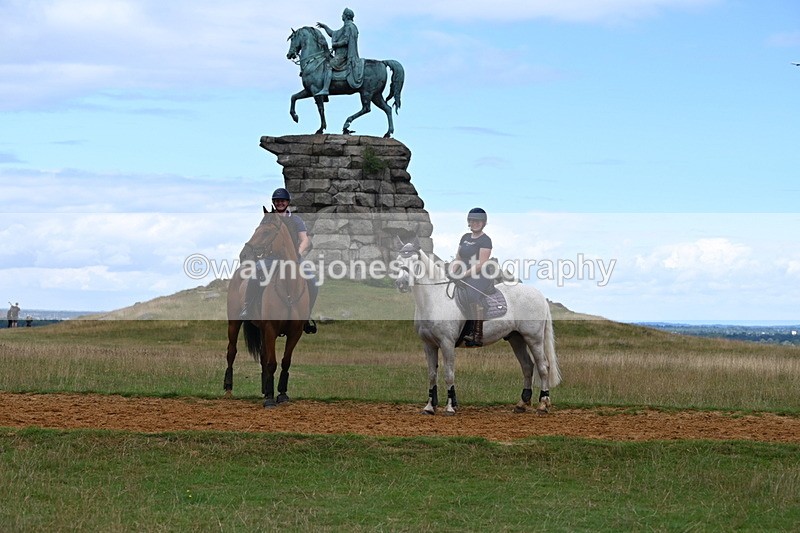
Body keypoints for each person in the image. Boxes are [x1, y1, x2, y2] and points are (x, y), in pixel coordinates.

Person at [242, 188, 318, 333]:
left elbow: (304, 240)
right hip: (271, 258)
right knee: (253, 277)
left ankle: (306, 316)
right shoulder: (268, 218)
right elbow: (261, 236)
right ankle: (248, 308)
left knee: (313, 282)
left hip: (294, 258)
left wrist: (297, 254)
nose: (280, 203)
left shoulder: (296, 220)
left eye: (282, 201)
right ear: (274, 203)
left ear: (287, 202)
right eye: (277, 201)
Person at [449, 208, 493, 347]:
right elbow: (458, 257)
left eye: (478, 221)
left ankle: (477, 334)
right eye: (473, 220)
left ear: (484, 223)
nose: (475, 223)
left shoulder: (486, 240)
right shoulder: (465, 237)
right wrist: (452, 271)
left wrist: (463, 274)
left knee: (472, 295)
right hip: (464, 273)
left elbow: (481, 264)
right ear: (469, 221)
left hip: (480, 275)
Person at [315, 8, 362, 96]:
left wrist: (335, 44)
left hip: (343, 55)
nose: (342, 16)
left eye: (343, 15)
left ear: (346, 16)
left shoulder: (349, 26)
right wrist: (325, 27)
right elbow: (333, 33)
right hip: (340, 55)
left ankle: (325, 89)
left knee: (328, 65)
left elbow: (346, 41)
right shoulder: (346, 26)